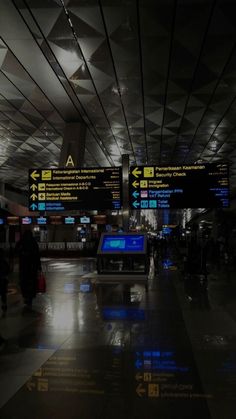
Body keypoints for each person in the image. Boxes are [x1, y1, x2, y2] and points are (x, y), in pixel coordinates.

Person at [15, 230, 41, 310]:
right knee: (32, 282)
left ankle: (26, 296)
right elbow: (37, 255)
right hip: (32, 267)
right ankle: (30, 298)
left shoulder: (21, 242)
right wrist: (39, 266)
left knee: (24, 282)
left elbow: (16, 250)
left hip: (24, 267)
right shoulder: (33, 242)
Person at [0, 248, 10, 315]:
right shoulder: (4, 262)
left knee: (3, 293)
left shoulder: (4, 262)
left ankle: (4, 304)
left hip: (2, 279)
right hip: (3, 280)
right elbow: (8, 270)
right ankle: (4, 304)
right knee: (3, 294)